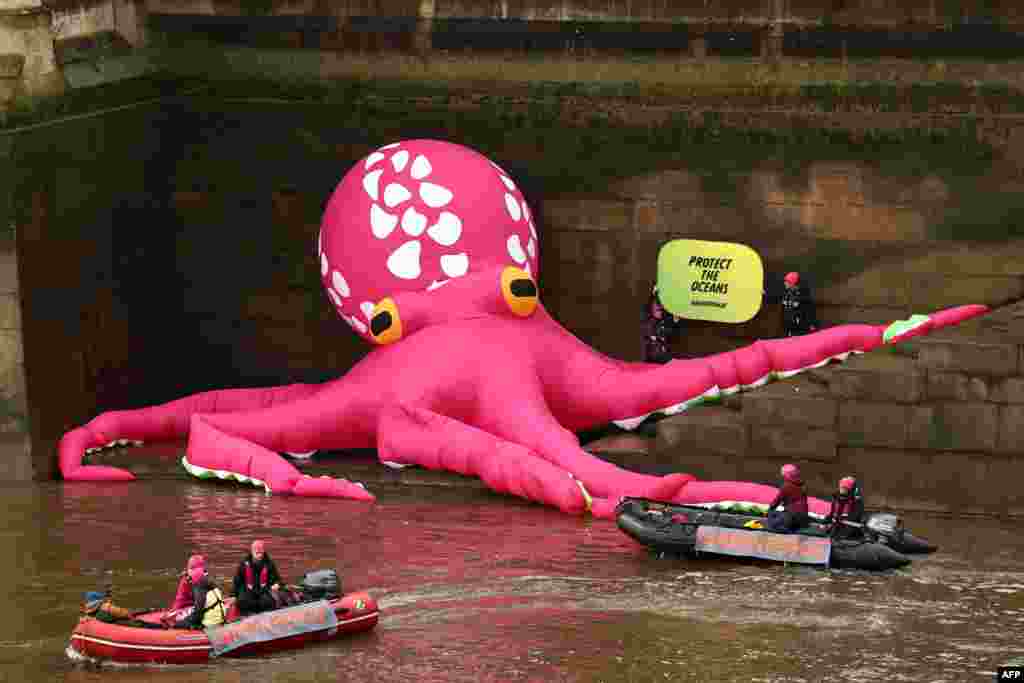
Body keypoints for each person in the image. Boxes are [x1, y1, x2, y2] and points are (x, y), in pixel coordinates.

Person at [233, 540, 284, 616]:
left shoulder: (269, 564)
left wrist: (277, 584)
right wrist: (233, 595)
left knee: (268, 601)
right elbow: (237, 581)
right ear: (252, 552)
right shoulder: (243, 564)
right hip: (248, 591)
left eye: (261, 553)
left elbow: (278, 580)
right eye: (257, 553)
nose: (259, 555)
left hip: (264, 591)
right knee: (242, 601)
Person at [642, 286, 684, 364]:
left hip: (665, 361)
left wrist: (674, 321)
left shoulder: (667, 321)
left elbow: (672, 334)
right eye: (658, 304)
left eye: (662, 305)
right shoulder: (648, 322)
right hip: (652, 362)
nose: (660, 306)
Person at [81, 590, 164, 629]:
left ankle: (150, 610)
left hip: (111, 625)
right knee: (142, 623)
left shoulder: (89, 612)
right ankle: (163, 627)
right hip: (121, 624)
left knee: (134, 613)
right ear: (99, 600)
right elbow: (125, 614)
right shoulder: (106, 607)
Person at [765, 463, 809, 533]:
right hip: (803, 517)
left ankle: (787, 529)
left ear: (787, 475)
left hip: (792, 516)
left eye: (783, 475)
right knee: (779, 514)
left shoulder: (786, 486)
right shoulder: (802, 485)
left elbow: (776, 501)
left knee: (772, 523)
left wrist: (769, 510)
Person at [781, 271, 819, 337]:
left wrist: (812, 324)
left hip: (801, 328)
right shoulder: (787, 294)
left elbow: (810, 310)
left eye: (787, 281)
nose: (785, 283)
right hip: (790, 328)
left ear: (792, 283)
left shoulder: (803, 295)